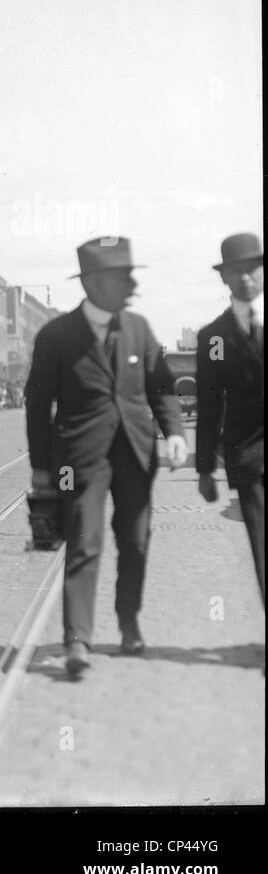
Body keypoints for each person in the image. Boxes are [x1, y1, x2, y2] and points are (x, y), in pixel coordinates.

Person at [24, 237, 186, 679]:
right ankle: (77, 638)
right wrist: (42, 467)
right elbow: (38, 406)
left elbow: (162, 387)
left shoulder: (139, 327)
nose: (132, 285)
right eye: (122, 277)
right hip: (78, 458)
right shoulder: (56, 336)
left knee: (135, 541)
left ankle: (129, 620)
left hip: (136, 452)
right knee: (84, 542)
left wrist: (173, 432)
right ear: (94, 283)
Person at [196, 232, 264, 605]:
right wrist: (205, 469)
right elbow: (208, 405)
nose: (246, 278)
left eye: (252, 268)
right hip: (250, 459)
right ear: (224, 278)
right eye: (236, 271)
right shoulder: (214, 338)